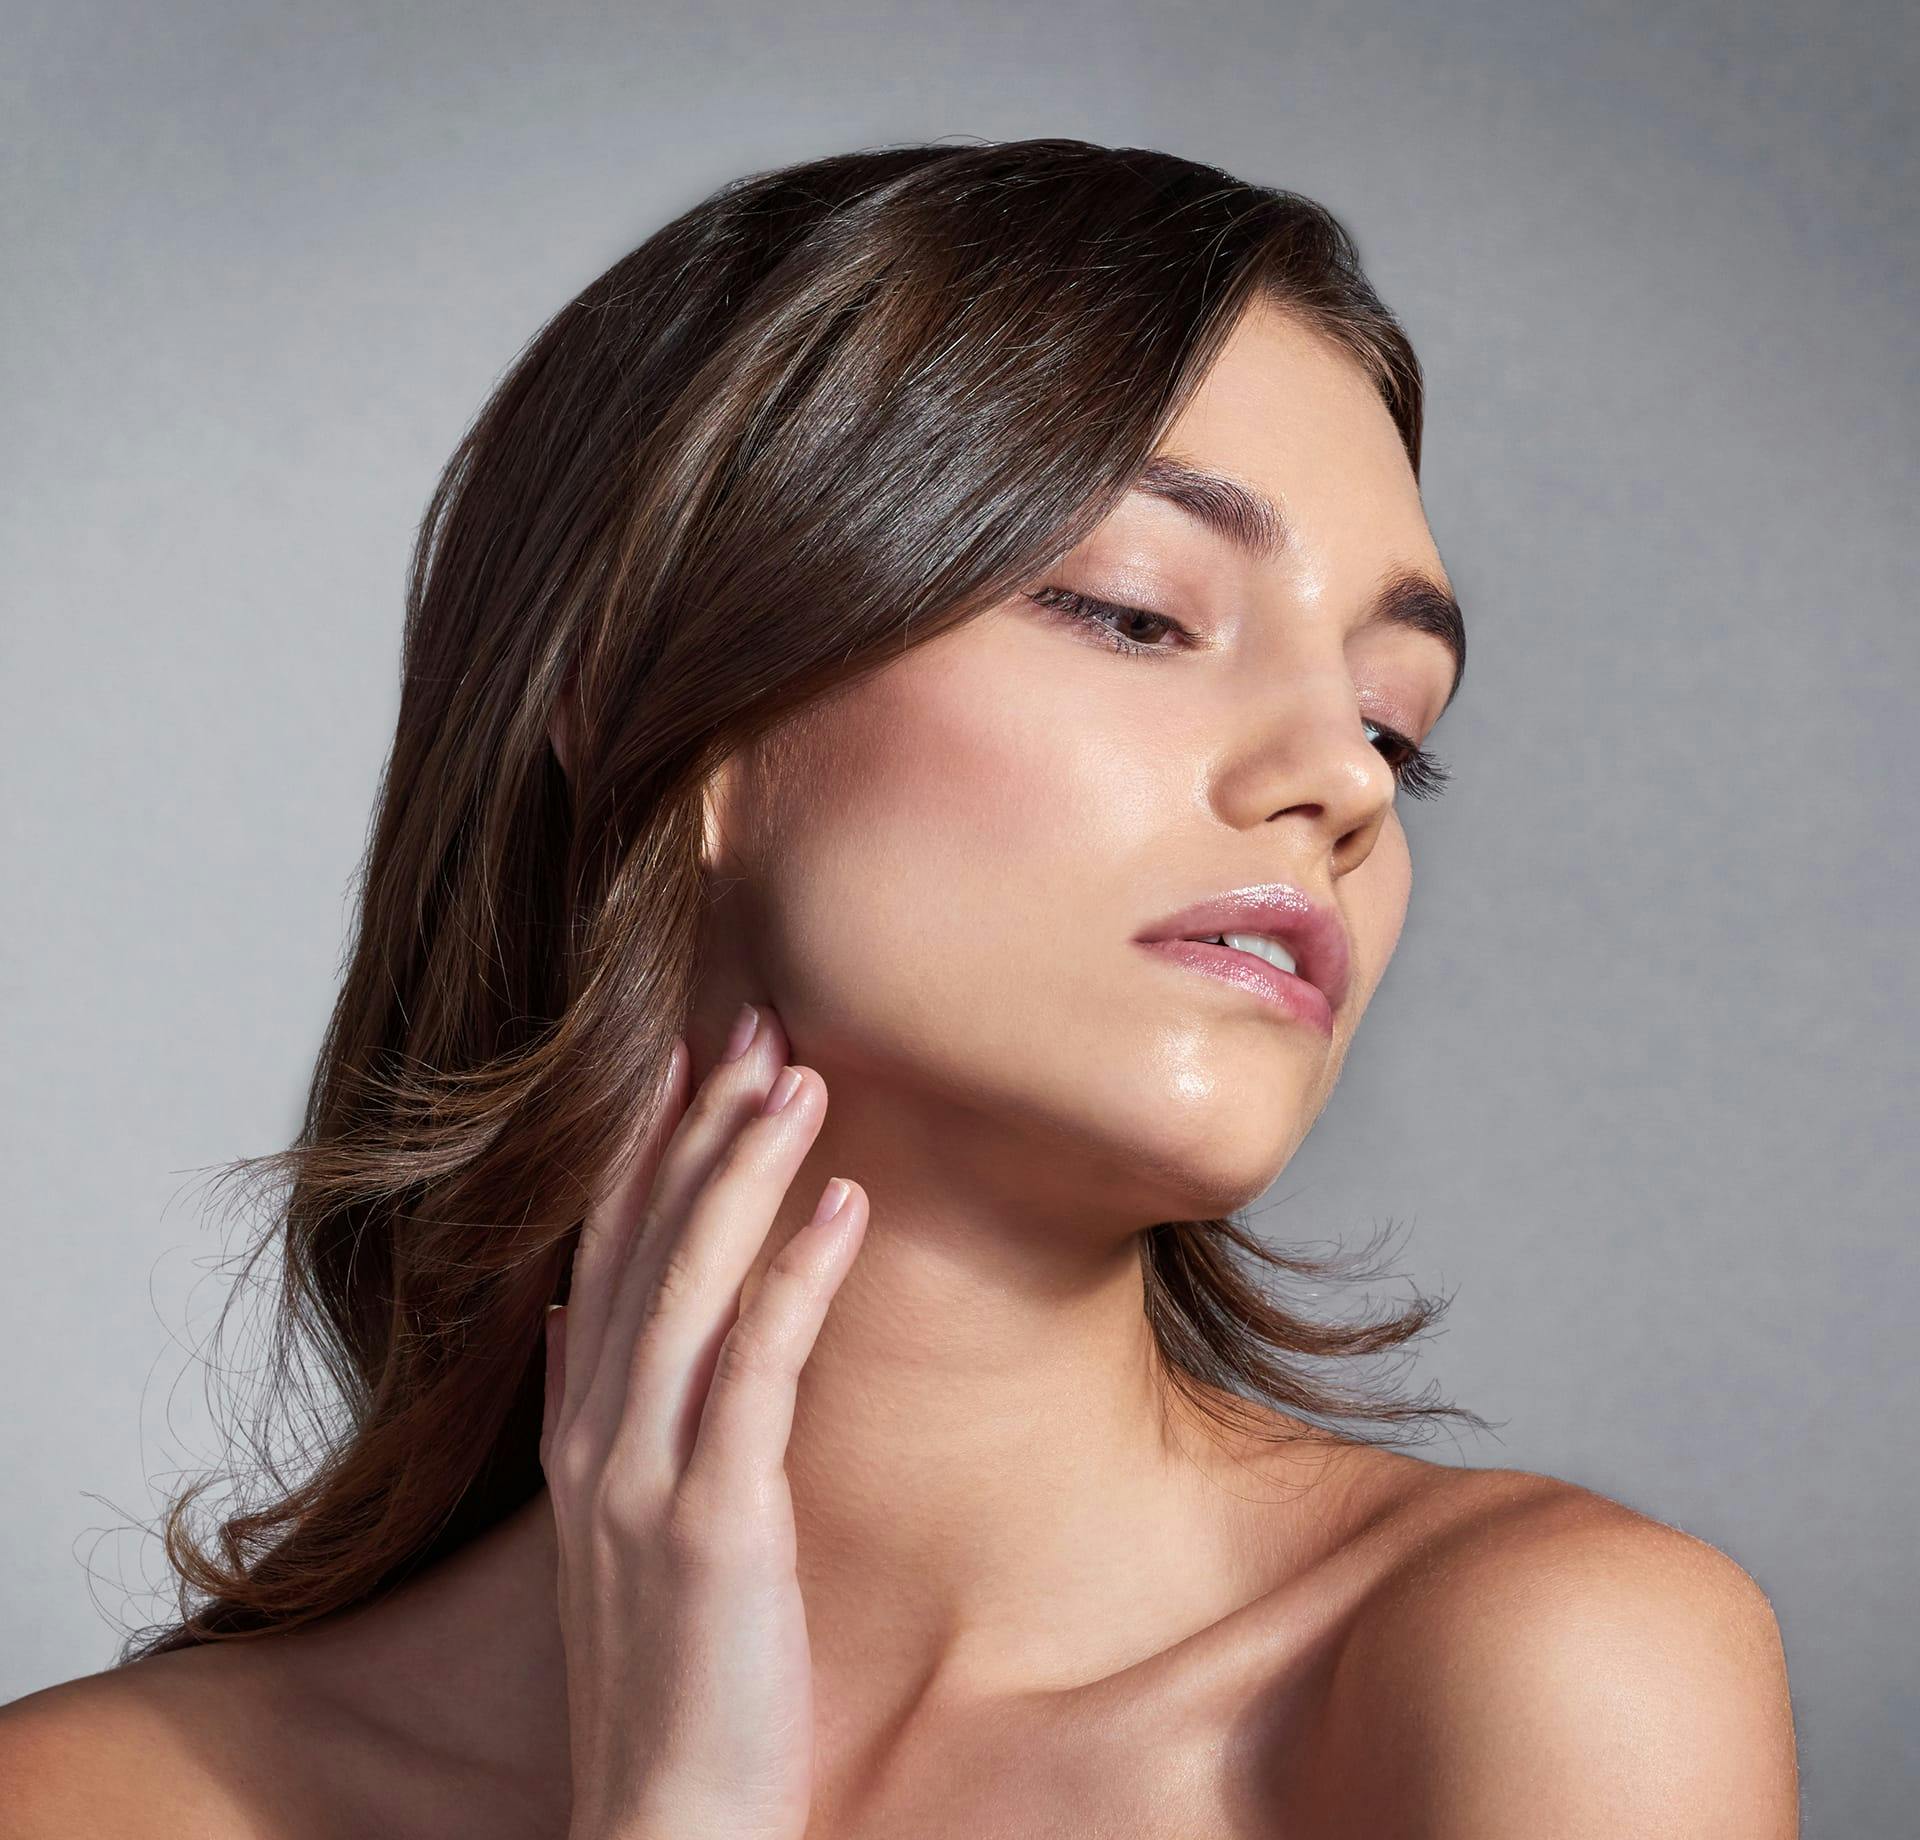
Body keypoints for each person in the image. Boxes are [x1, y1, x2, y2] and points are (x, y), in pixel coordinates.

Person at [0, 137, 1798, 1835]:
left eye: (1396, 725)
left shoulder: (1543, 1676)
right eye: (1136, 612)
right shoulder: (100, 1802)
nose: (1340, 778)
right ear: (651, 699)